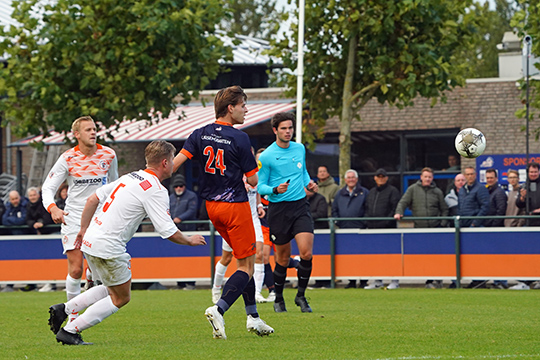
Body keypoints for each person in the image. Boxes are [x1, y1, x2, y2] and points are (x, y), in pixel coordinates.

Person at [47, 140, 206, 345]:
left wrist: (83, 230)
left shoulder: (129, 177)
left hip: (92, 240)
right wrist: (189, 240)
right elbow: (168, 231)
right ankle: (70, 330)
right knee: (121, 298)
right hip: (108, 246)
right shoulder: (156, 189)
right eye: (173, 159)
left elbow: (92, 199)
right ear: (165, 163)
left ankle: (65, 309)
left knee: (110, 286)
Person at [173, 85, 274, 339]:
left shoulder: (200, 133)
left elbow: (175, 164)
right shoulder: (240, 138)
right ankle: (219, 309)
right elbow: (252, 181)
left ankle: (253, 317)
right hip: (234, 207)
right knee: (247, 266)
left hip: (211, 208)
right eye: (243, 105)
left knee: (243, 260)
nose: (246, 109)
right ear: (231, 108)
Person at [42, 116, 118, 319]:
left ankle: (91, 279)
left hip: (100, 218)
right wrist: (53, 208)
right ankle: (72, 316)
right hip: (73, 217)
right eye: (88, 130)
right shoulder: (67, 158)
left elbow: (115, 185)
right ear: (77, 134)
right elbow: (48, 187)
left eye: (94, 129)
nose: (93, 133)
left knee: (98, 270)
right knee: (76, 269)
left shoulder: (109, 155)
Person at [258, 111, 319, 313]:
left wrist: (308, 183)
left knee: (306, 253)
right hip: (279, 210)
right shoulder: (267, 156)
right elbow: (260, 187)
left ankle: (301, 296)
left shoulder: (299, 148)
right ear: (275, 130)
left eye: (290, 128)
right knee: (282, 259)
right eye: (283, 128)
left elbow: (302, 172)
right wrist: (275, 190)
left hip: (300, 206)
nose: (287, 132)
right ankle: (279, 298)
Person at [211, 172, 268, 305]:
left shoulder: (255, 175)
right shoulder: (231, 174)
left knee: (259, 254)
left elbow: (257, 190)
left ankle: (257, 293)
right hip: (235, 220)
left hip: (253, 219)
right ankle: (216, 290)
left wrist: (259, 205)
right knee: (227, 258)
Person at [394, 167, 448, 289]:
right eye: (425, 176)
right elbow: (403, 202)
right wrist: (399, 212)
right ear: (421, 177)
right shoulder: (413, 189)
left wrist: (443, 223)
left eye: (429, 177)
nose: (427, 179)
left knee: (437, 256)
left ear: (432, 178)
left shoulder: (437, 192)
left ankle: (437, 279)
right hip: (420, 228)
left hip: (435, 229)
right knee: (425, 255)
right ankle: (428, 279)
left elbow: (444, 209)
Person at [364, 168, 401, 290]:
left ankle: (394, 280)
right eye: (378, 176)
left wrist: (385, 222)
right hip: (373, 229)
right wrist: (368, 221)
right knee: (375, 256)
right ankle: (377, 281)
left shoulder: (392, 191)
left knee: (391, 256)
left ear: (386, 178)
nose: (381, 178)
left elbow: (394, 208)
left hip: (387, 229)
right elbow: (367, 208)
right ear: (375, 178)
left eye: (383, 176)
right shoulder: (372, 192)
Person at [332, 169, 369, 289]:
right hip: (344, 230)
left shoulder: (364, 193)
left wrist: (363, 223)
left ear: (357, 179)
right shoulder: (340, 193)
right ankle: (351, 280)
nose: (351, 180)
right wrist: (338, 222)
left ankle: (363, 281)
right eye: (349, 178)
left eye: (353, 177)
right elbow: (334, 209)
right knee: (348, 256)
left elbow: (368, 209)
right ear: (345, 180)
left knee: (362, 256)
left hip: (360, 230)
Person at [457, 166, 490, 289]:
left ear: (475, 175)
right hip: (464, 227)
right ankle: (474, 279)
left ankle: (480, 281)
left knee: (477, 254)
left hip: (475, 227)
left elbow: (485, 207)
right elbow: (460, 208)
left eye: (472, 174)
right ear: (464, 176)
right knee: (467, 255)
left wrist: (475, 223)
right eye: (467, 174)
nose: (470, 176)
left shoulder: (480, 189)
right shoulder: (462, 190)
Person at [513, 162, 540, 290]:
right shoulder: (524, 186)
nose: (533, 174)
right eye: (531, 172)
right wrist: (522, 198)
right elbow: (519, 204)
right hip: (529, 223)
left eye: (535, 172)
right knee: (529, 252)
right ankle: (528, 279)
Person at [169, 174, 199, 290]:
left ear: (184, 186)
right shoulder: (170, 197)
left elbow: (192, 210)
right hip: (176, 233)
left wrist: (179, 218)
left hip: (189, 231)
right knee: (177, 258)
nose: (179, 188)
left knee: (190, 258)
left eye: (181, 186)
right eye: (176, 186)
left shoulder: (191, 196)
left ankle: (191, 283)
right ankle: (180, 283)